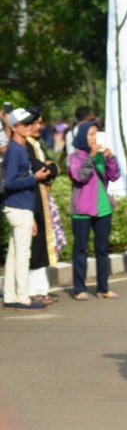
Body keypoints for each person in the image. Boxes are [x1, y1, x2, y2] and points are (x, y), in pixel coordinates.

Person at [67, 122, 120, 301]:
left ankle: (103, 288)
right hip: (82, 210)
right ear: (83, 137)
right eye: (90, 135)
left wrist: (110, 158)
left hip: (103, 208)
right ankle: (79, 289)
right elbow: (80, 176)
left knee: (102, 250)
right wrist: (90, 157)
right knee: (80, 249)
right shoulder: (75, 157)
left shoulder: (101, 156)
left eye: (96, 134)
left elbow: (114, 175)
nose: (94, 138)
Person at [3, 109, 48, 310]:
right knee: (23, 254)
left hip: (19, 206)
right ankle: (22, 297)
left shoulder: (20, 148)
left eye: (31, 123)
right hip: (19, 206)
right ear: (14, 128)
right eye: (25, 124)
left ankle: (10, 295)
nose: (30, 126)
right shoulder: (16, 150)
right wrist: (34, 178)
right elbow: (11, 181)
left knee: (14, 254)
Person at [26, 110, 63, 306]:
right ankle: (33, 292)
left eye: (41, 122)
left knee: (42, 246)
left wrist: (51, 168)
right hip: (30, 199)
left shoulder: (36, 145)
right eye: (36, 122)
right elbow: (44, 169)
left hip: (41, 198)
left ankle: (40, 290)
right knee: (35, 245)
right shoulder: (25, 147)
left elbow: (52, 168)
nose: (39, 126)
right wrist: (50, 168)